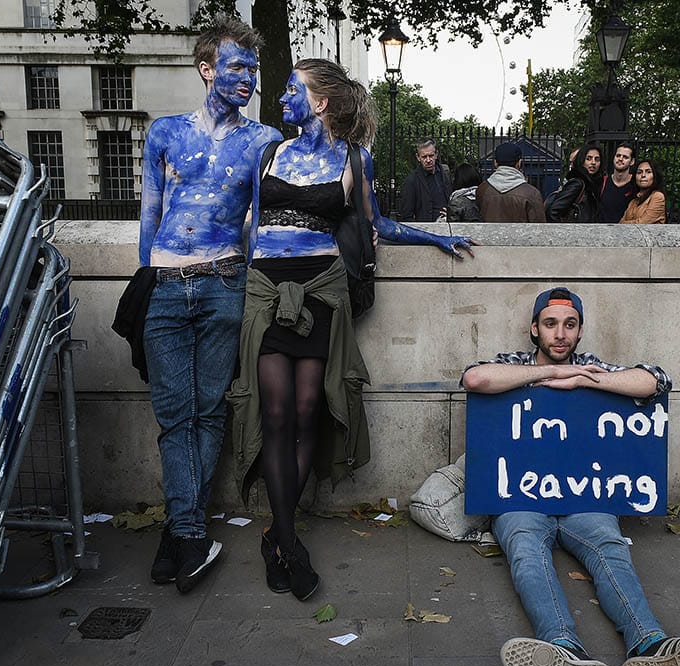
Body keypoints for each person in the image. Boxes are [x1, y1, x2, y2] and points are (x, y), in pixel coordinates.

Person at [229, 58, 475, 602]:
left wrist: (434, 239)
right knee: (273, 412)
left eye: (292, 89)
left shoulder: (352, 157)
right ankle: (289, 542)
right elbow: (249, 225)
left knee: (307, 410)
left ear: (320, 102)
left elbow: (377, 223)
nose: (282, 99)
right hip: (268, 289)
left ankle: (277, 535)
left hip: (322, 289)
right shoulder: (268, 153)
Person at [461, 287, 680, 666]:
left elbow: (655, 380)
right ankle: (562, 649)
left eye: (570, 325)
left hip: (583, 498)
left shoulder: (592, 367)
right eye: (551, 324)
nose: (560, 334)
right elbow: (475, 378)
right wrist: (552, 374)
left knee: (609, 546)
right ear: (534, 330)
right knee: (525, 548)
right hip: (520, 499)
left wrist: (586, 379)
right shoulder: (514, 364)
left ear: (579, 332)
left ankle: (651, 645)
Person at [139, 15, 282, 594]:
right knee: (176, 412)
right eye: (236, 67)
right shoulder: (166, 132)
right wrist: (145, 278)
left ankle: (182, 532)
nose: (248, 78)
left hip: (226, 280)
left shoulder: (262, 140)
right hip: (167, 283)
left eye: (253, 68)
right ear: (207, 70)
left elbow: (259, 221)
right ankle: (189, 529)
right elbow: (149, 213)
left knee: (208, 409)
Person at [476, 142, 546, 222]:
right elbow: (540, 229)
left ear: (495, 163)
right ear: (519, 163)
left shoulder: (482, 189)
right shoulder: (532, 193)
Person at [545, 145, 603, 223]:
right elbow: (553, 211)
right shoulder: (577, 184)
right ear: (581, 161)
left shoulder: (594, 184)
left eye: (597, 159)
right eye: (588, 159)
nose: (593, 162)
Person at [398, 139, 451, 221]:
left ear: (436, 154)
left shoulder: (445, 174)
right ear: (418, 157)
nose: (428, 160)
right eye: (424, 157)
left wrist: (451, 215)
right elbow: (406, 214)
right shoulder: (411, 181)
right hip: (424, 229)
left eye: (431, 156)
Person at [619, 158, 667, 224]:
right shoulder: (633, 201)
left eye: (648, 172)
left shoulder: (657, 197)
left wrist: (624, 223)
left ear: (655, 175)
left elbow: (642, 224)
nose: (643, 175)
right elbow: (620, 223)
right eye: (639, 172)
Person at [598, 142, 637, 222]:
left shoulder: (636, 185)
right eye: (618, 155)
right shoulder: (602, 182)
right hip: (602, 231)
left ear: (632, 161)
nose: (620, 159)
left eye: (625, 157)